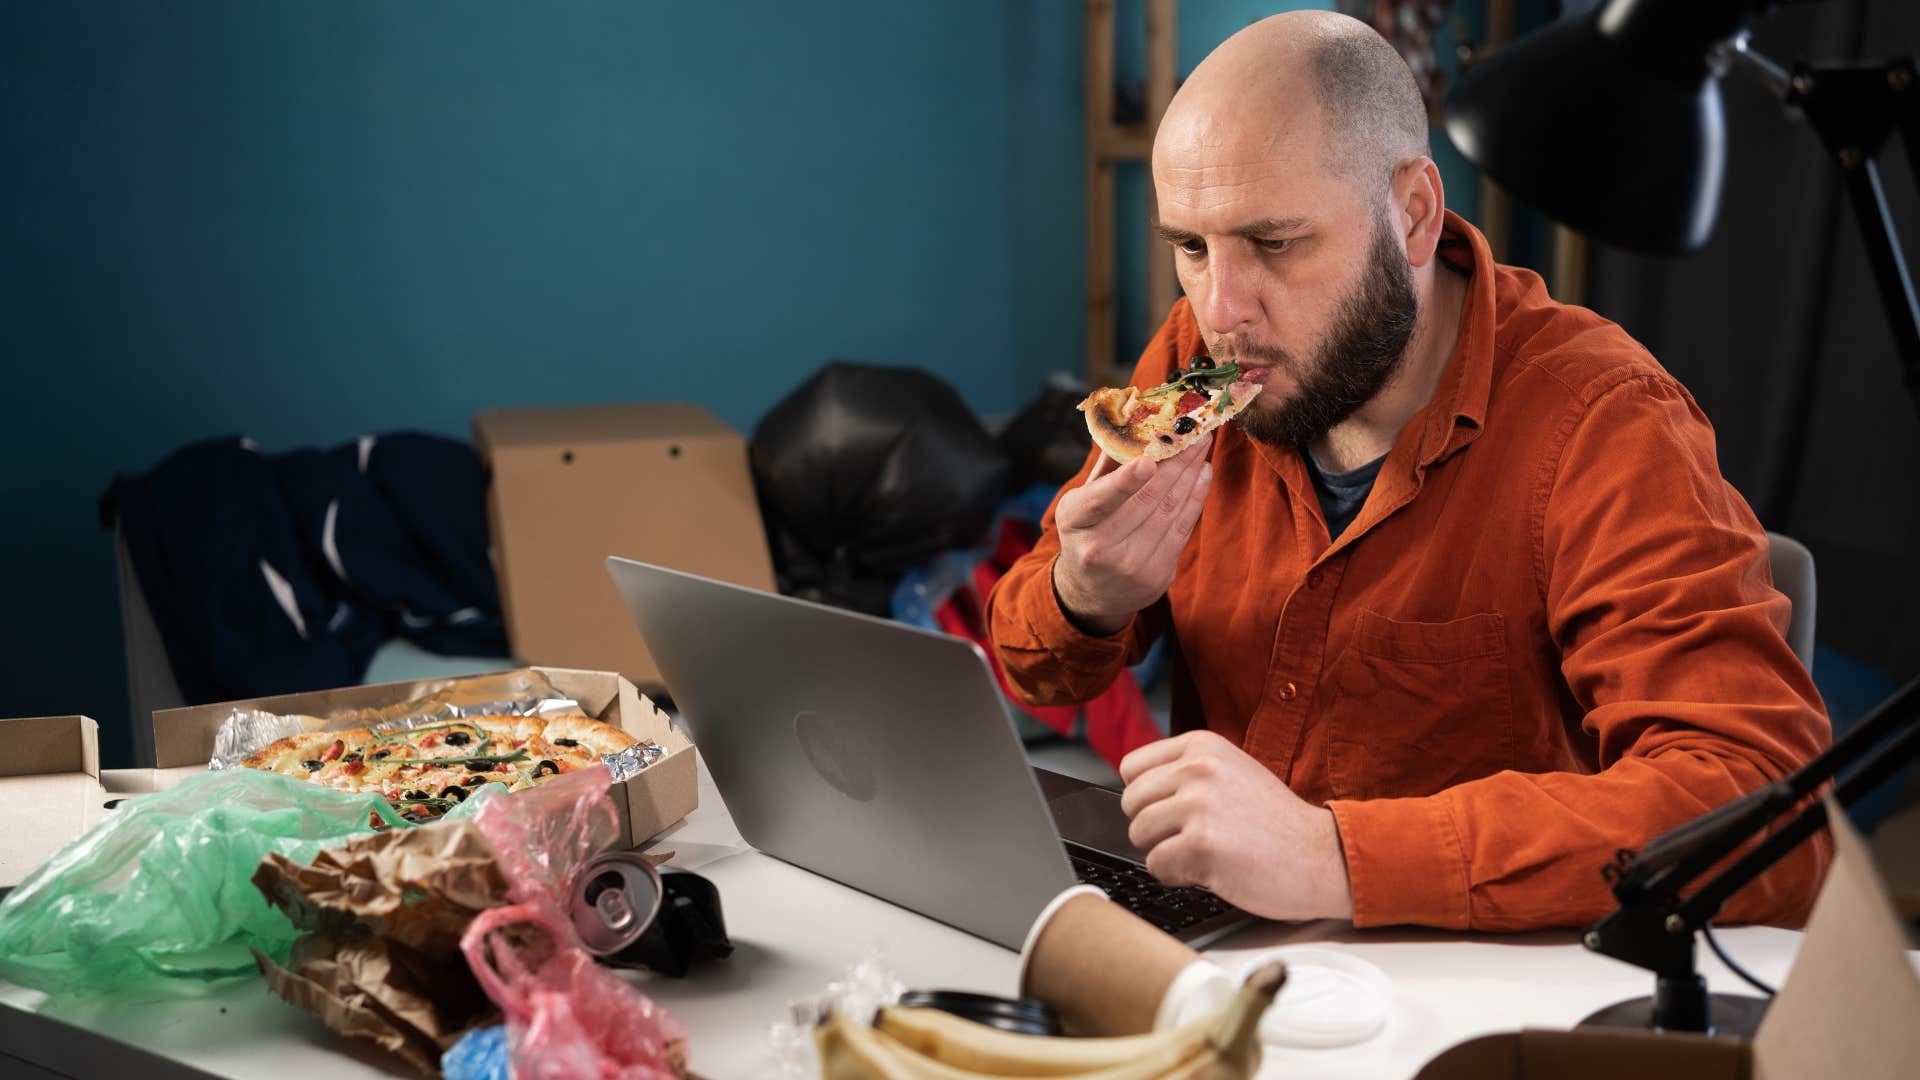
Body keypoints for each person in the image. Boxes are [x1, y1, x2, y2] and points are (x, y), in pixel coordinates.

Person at [985, 11, 1830, 931]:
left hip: (1478, 994)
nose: (1221, 309)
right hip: (1233, 958)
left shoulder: (1605, 421)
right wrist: (1085, 592)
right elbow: (1038, 670)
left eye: (1273, 243)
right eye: (1190, 247)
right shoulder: (1197, 363)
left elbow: (1762, 807)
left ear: (1416, 214)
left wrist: (1335, 856)